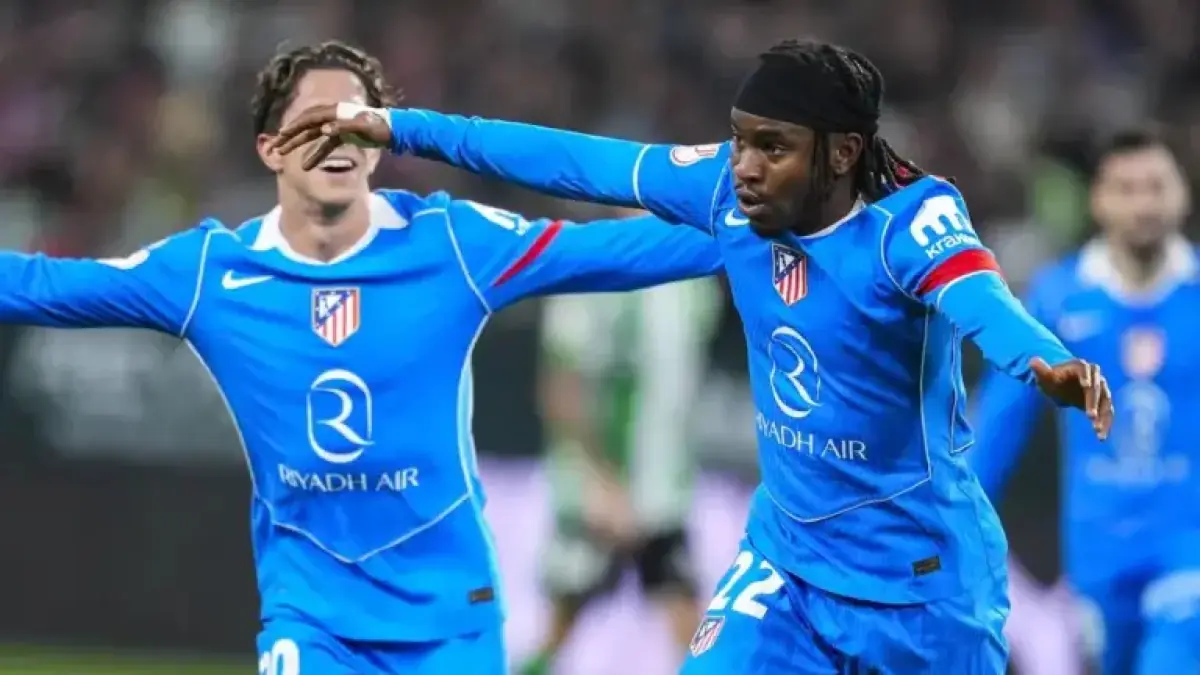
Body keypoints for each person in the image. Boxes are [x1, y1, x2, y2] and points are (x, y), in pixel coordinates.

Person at [272, 38, 1114, 673]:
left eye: (772, 147)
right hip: (789, 565)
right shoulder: (725, 193)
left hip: (921, 584)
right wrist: (401, 128)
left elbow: (982, 301)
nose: (744, 167)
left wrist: (1043, 361)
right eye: (740, 141)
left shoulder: (911, 222)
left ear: (842, 153)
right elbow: (569, 159)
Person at [0, 41, 723, 675]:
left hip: (450, 619)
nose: (338, 136)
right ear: (270, 148)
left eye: (356, 120)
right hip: (311, 619)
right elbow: (46, 286)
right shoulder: (210, 273)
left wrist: (756, 222)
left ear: (378, 145)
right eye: (316, 120)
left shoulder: (451, 244)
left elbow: (620, 250)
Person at [971, 129, 1200, 674]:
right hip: (1098, 552)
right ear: (1098, 200)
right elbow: (1000, 422)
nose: (1143, 204)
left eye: (1156, 187)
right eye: (1127, 189)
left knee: (1171, 655)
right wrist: (953, 514)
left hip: (1187, 544)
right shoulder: (1059, 297)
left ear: (1182, 195)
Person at [523, 213, 722, 674]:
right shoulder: (592, 278)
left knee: (692, 627)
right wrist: (600, 481)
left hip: (662, 495)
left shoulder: (695, 282)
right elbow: (562, 386)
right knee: (559, 628)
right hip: (601, 494)